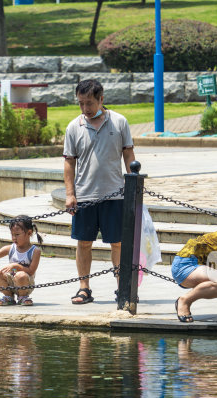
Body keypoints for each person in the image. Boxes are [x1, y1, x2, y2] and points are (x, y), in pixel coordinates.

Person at [63, 79, 135, 304]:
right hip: (85, 195)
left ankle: (122, 288)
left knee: (118, 243)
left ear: (101, 99)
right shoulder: (74, 126)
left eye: (90, 103)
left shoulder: (120, 122)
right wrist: (70, 193)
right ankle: (84, 288)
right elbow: (69, 162)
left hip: (115, 194)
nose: (85, 109)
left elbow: (129, 155)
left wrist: (134, 185)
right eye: (81, 104)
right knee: (84, 242)